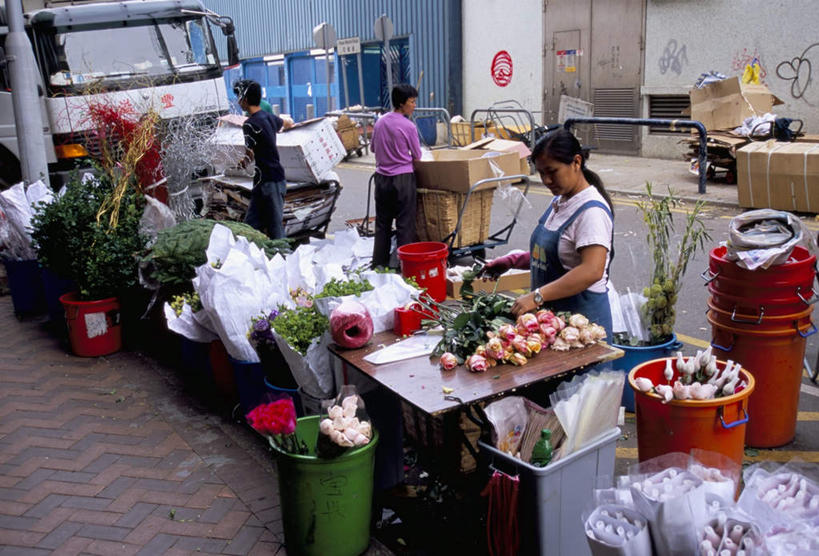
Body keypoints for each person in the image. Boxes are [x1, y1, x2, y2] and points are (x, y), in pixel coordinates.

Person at [482, 128, 615, 341]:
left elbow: (592, 270)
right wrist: (511, 261)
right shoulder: (559, 201)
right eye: (541, 173)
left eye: (552, 171)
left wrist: (536, 297)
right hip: (554, 326)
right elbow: (554, 256)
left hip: (583, 332)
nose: (546, 180)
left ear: (576, 162)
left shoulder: (592, 212)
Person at [370, 83, 423, 268]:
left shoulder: (380, 122)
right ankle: (404, 266)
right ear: (401, 103)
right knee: (404, 225)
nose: (414, 105)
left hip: (382, 179)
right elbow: (417, 155)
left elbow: (373, 148)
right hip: (403, 180)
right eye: (412, 102)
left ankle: (378, 264)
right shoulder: (408, 126)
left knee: (382, 224)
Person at [236, 80, 292, 239]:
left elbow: (249, 153)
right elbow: (287, 123)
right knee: (251, 225)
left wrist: (242, 163)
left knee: (275, 229)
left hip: (269, 181)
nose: (238, 101)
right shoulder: (269, 117)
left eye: (239, 97)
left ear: (245, 100)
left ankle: (285, 258)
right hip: (266, 182)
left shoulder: (249, 124)